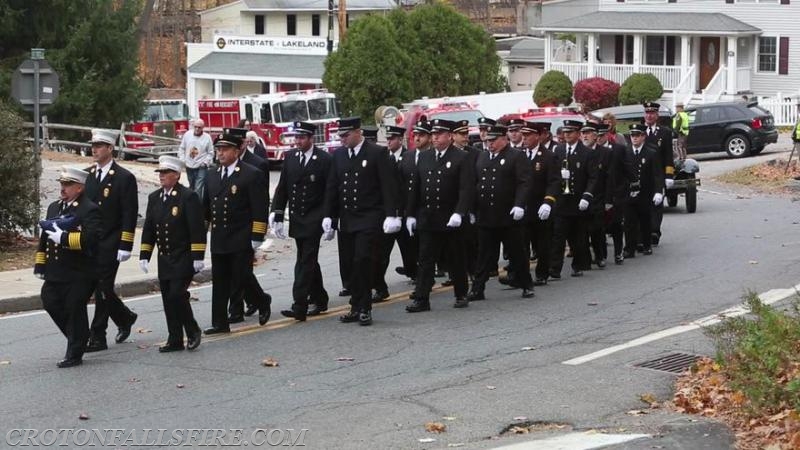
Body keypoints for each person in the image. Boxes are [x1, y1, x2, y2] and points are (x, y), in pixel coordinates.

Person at [323, 117, 401, 326]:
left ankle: (364, 307)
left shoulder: (377, 153)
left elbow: (388, 186)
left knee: (363, 261)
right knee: (349, 264)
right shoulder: (339, 155)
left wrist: (392, 214)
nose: (343, 139)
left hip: (369, 218)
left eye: (346, 135)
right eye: (340, 136)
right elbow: (333, 187)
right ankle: (355, 305)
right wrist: (329, 216)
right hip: (348, 219)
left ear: (358, 132)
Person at [203, 128, 271, 334]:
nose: (220, 153)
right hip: (220, 236)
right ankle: (219, 322)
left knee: (241, 275)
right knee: (221, 279)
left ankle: (261, 299)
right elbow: (206, 208)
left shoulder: (251, 174)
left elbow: (259, 207)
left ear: (235, 151)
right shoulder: (212, 175)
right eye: (218, 149)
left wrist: (257, 235)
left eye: (225, 149)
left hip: (242, 235)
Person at [35, 167, 102, 368]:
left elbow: (91, 239)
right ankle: (80, 337)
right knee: (50, 301)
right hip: (56, 269)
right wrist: (41, 263)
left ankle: (74, 352)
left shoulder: (89, 209)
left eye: (68, 185)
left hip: (79, 271)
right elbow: (44, 239)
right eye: (62, 184)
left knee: (74, 308)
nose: (63, 188)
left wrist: (63, 238)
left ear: (79, 188)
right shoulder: (54, 207)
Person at [405, 118, 475, 312]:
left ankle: (461, 293)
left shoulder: (461, 157)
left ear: (450, 136)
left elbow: (466, 189)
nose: (435, 137)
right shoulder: (425, 157)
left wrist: (459, 212)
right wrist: (410, 214)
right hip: (428, 217)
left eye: (439, 134)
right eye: (433, 134)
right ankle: (422, 298)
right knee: (426, 259)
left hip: (451, 217)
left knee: (456, 258)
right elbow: (416, 188)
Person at [138, 156, 205, 352]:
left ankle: (192, 330)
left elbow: (197, 228)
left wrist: (198, 256)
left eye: (166, 173)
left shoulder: (188, 196)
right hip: (165, 257)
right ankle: (175, 338)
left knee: (177, 294)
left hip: (183, 255)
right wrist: (144, 254)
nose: (162, 177)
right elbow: (149, 229)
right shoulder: (154, 198)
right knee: (168, 298)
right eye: (160, 173)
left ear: (176, 175)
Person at [270, 121, 332, 321]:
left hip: (315, 217)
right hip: (298, 217)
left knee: (304, 261)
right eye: (296, 137)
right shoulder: (290, 158)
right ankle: (320, 298)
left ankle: (300, 305)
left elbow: (330, 191)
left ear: (311, 138)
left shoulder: (323, 159)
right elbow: (283, 188)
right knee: (308, 260)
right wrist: (277, 213)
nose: (298, 141)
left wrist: (329, 216)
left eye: (302, 137)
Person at [84, 129, 139, 353]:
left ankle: (98, 335)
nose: (94, 150)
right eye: (93, 146)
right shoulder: (88, 175)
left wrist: (125, 244)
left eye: (99, 146)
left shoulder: (124, 177)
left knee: (103, 287)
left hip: (112, 241)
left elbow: (129, 213)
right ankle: (125, 317)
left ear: (110, 148)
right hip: (91, 242)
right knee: (99, 287)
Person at [467, 123, 534, 301]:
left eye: (494, 140)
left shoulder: (516, 156)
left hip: (508, 215)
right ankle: (477, 288)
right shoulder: (482, 157)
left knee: (517, 253)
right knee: (483, 256)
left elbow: (524, 182)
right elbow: (475, 183)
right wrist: (472, 209)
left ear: (504, 139)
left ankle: (526, 284)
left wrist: (520, 204)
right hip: (486, 214)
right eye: (488, 140)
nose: (490, 143)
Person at [227, 128, 272, 323]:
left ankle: (240, 307)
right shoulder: (224, 161)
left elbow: (260, 200)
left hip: (247, 225)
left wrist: (258, 232)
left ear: (244, 143)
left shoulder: (258, 164)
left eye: (237, 142)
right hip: (229, 226)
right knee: (235, 269)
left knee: (242, 269)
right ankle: (253, 300)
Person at [549, 120, 598, 279]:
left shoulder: (587, 153)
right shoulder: (559, 150)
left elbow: (593, 178)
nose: (567, 135)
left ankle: (578, 265)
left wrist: (587, 196)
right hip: (562, 201)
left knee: (578, 237)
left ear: (578, 133)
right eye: (565, 132)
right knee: (558, 237)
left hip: (578, 201)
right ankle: (555, 268)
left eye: (570, 132)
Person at [373, 125, 411, 303]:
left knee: (410, 250)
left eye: (392, 138)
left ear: (400, 139)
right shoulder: (383, 158)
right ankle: (380, 287)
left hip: (404, 212)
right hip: (388, 214)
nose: (389, 142)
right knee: (381, 254)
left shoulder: (409, 157)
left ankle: (417, 277)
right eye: (387, 139)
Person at [519, 121, 560, 286]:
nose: (525, 138)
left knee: (542, 243)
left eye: (528, 135)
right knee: (521, 244)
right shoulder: (519, 154)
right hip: (523, 207)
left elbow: (554, 181)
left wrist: (548, 202)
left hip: (541, 206)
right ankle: (520, 274)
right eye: (524, 135)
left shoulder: (549, 156)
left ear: (537, 136)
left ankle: (542, 273)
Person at [623, 124, 665, 258]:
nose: (634, 138)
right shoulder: (626, 152)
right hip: (629, 193)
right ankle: (629, 247)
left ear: (643, 137)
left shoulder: (651, 153)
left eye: (637, 135)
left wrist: (658, 191)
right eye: (632, 135)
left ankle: (646, 245)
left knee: (645, 220)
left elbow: (657, 174)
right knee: (629, 222)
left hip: (645, 192)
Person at [596, 123, 629, 265]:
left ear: (607, 135)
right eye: (596, 136)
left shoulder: (619, 149)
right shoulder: (592, 151)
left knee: (616, 224)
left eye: (601, 136)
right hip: (599, 194)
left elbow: (626, 170)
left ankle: (618, 252)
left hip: (616, 193)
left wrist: (626, 188)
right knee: (599, 226)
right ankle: (601, 255)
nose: (598, 139)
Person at [642, 102, 675, 246]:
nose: (649, 116)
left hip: (658, 174)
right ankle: (644, 231)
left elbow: (668, 155)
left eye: (652, 113)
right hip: (642, 174)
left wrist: (669, 175)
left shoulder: (665, 132)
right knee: (643, 204)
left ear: (657, 115)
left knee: (657, 203)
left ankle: (655, 231)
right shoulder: (639, 131)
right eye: (647, 113)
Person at [177, 118, 214, 200]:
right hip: (189, 165)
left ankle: (198, 207)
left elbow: (210, 152)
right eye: (196, 127)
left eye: (199, 127)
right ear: (193, 126)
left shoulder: (207, 137)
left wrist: (205, 162)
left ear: (203, 128)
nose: (197, 129)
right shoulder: (187, 135)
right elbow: (182, 148)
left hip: (201, 166)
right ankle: (191, 205)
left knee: (199, 187)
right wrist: (183, 160)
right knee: (191, 186)